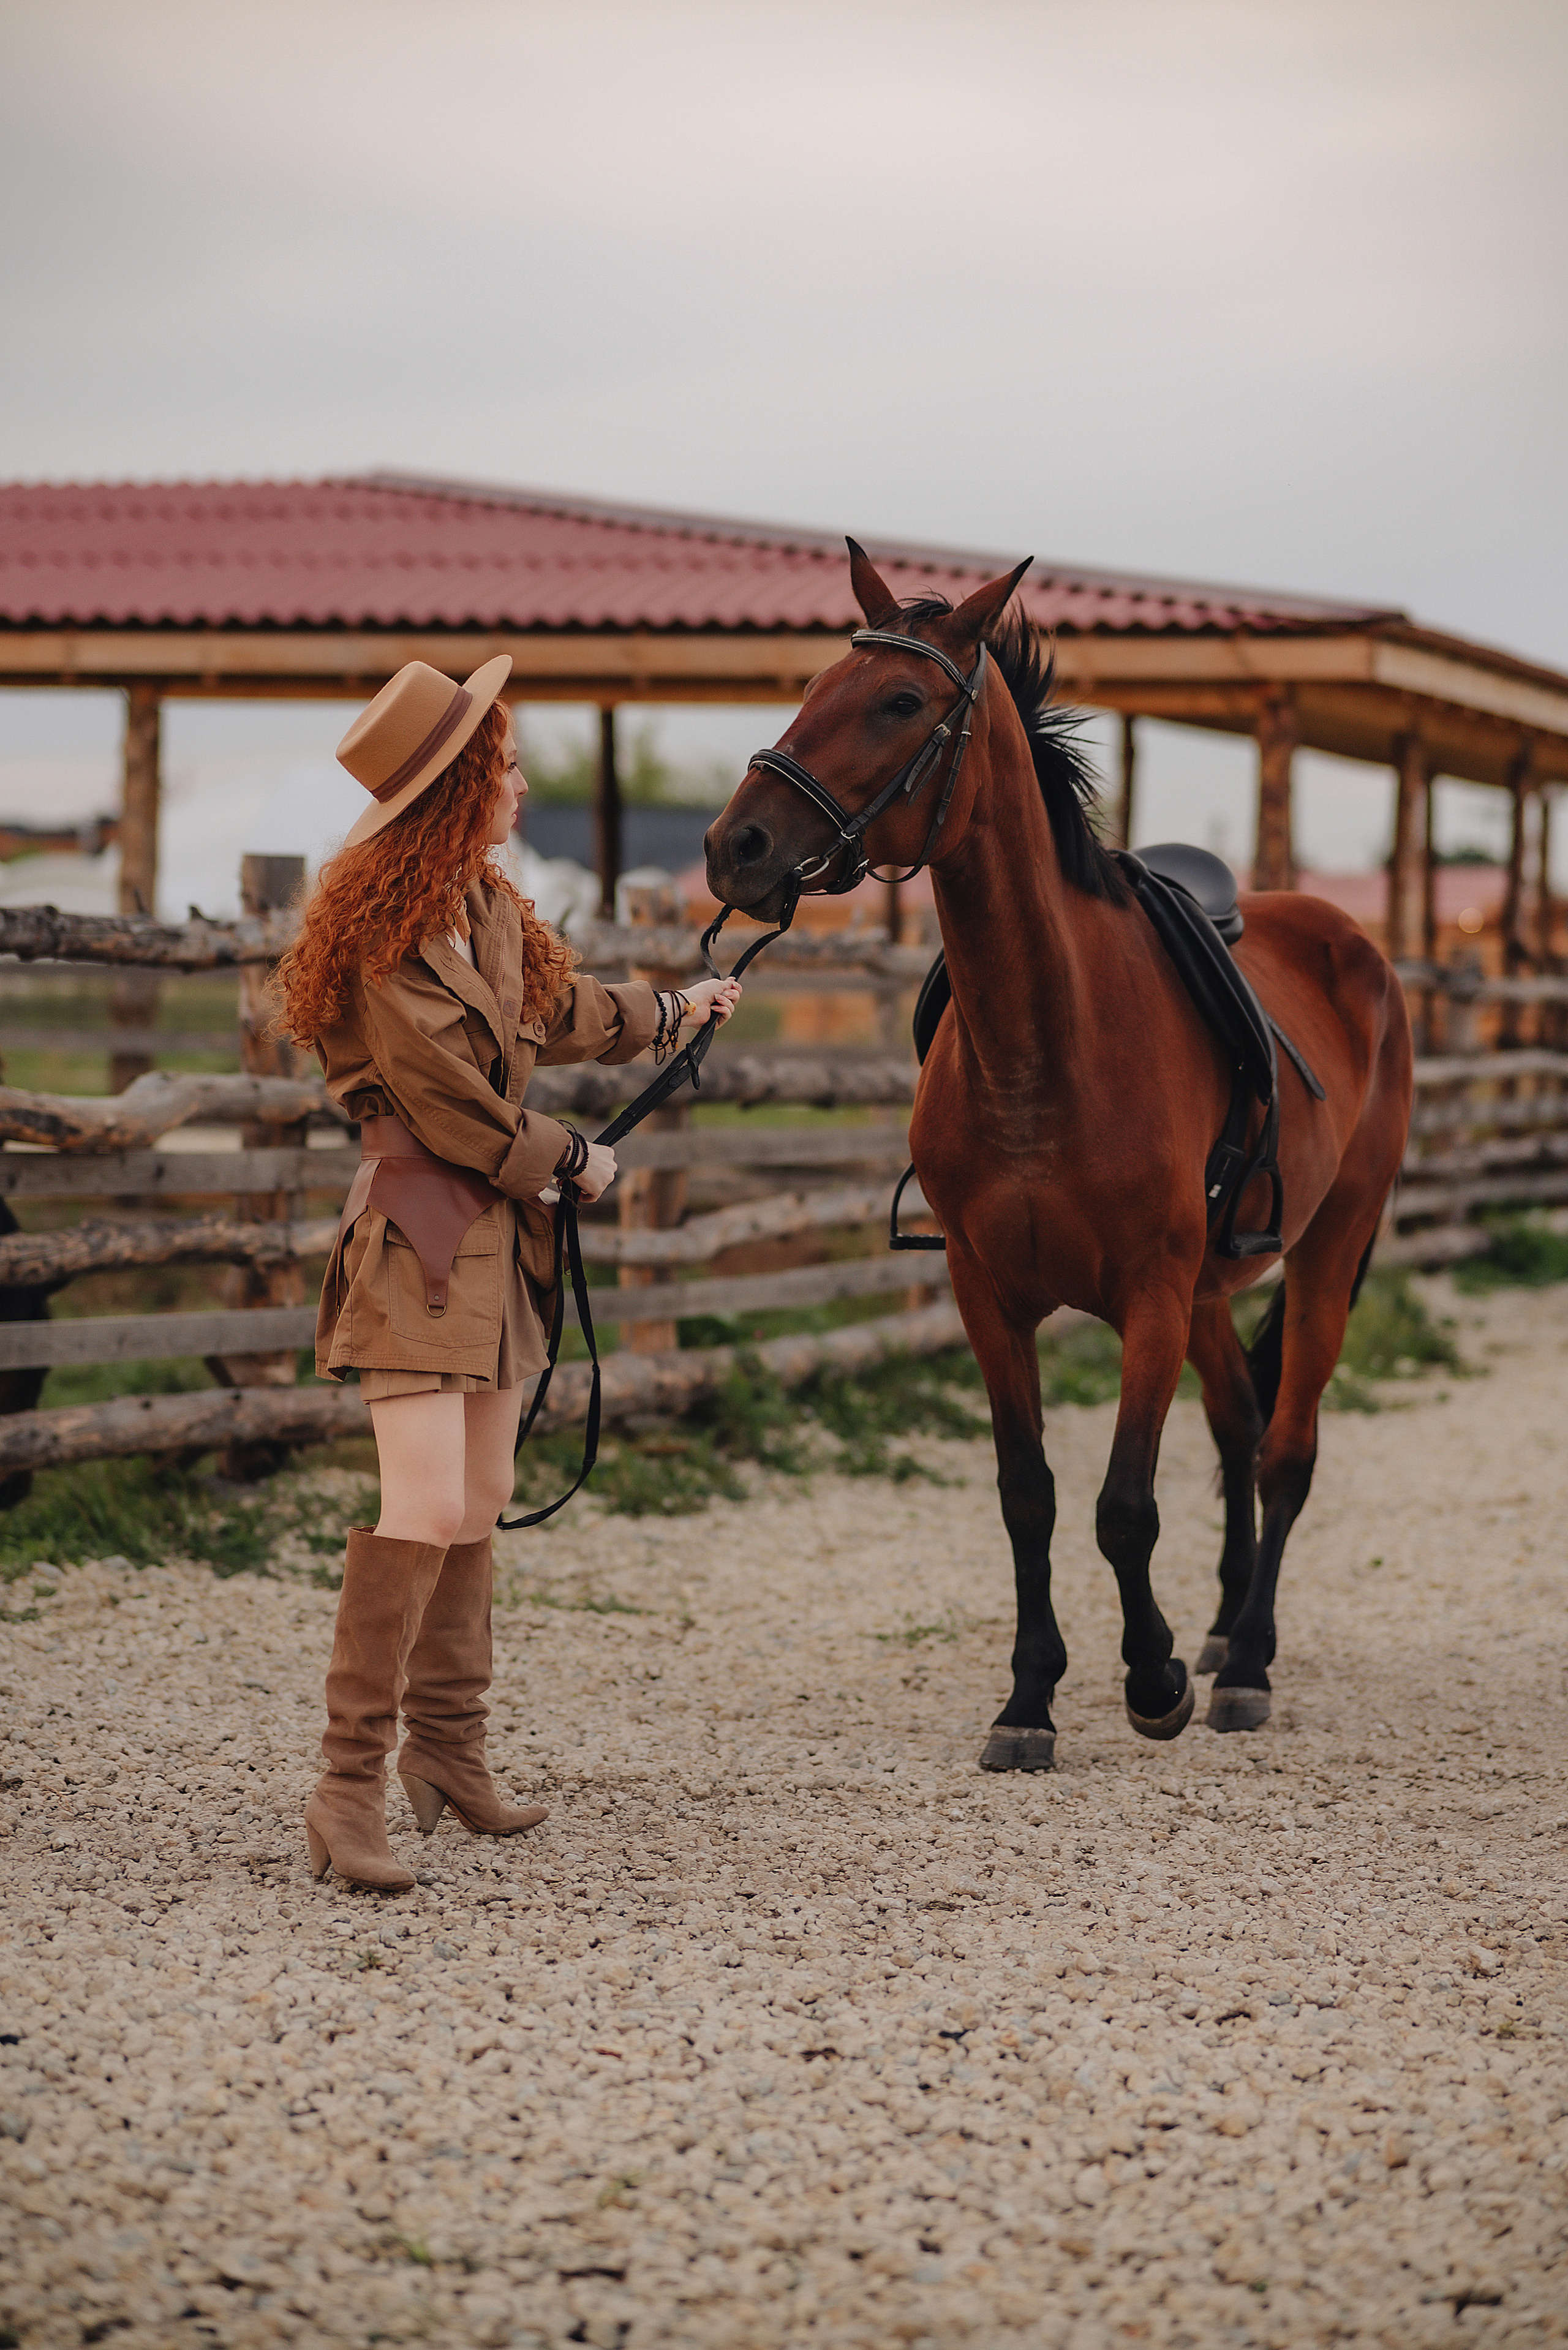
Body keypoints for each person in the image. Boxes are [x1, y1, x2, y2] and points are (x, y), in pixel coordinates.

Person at [277, 656, 739, 1890]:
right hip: (417, 1236)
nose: (523, 782)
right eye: (506, 764)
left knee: (477, 1502)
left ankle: (448, 1752)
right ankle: (343, 1790)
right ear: (457, 783)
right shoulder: (379, 934)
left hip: (491, 1244)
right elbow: (441, 1100)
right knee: (420, 1506)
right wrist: (570, 1156)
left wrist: (676, 1009)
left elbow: (563, 1006)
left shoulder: (480, 903)